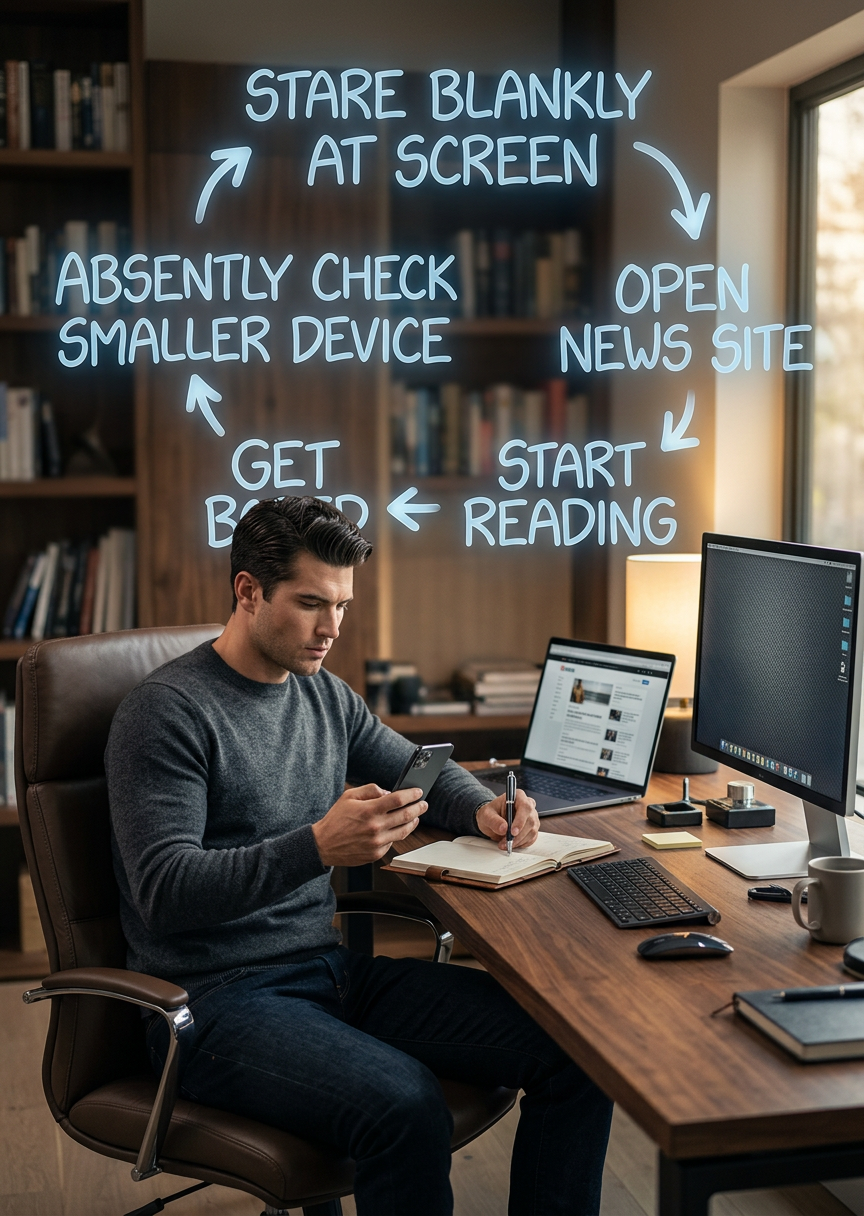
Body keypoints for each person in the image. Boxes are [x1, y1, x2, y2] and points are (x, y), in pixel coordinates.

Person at [106, 496, 613, 1216]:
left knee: (579, 1049)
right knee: (406, 1106)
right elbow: (164, 891)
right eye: (312, 604)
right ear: (248, 591)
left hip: (329, 973)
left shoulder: (324, 697)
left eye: (342, 605)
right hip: (212, 1005)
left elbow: (420, 769)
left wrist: (482, 808)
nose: (332, 630)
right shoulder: (166, 712)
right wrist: (316, 847)